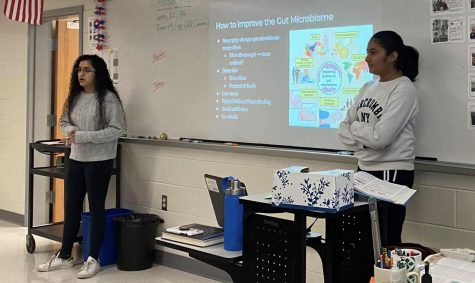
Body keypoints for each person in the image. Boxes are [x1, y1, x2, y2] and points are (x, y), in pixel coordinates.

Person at [37, 54, 126, 278]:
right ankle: (65, 255)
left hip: (99, 161)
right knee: (71, 207)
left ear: (98, 74)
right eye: (78, 69)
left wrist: (85, 136)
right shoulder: (74, 97)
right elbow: (64, 121)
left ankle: (92, 258)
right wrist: (70, 132)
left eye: (86, 70)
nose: (81, 74)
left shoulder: (108, 99)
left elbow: (117, 130)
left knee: (96, 209)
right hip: (76, 158)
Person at [339, 30, 419, 245]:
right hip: (364, 169)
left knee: (385, 239)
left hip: (391, 171)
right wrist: (366, 139)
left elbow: (382, 138)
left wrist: (357, 130)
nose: (367, 58)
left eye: (373, 52)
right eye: (367, 52)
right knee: (361, 240)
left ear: (392, 56)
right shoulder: (367, 87)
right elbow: (343, 128)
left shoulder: (404, 88)